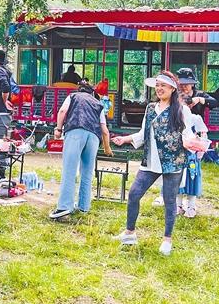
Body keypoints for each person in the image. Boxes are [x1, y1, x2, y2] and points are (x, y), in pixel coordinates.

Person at [111, 71, 196, 256]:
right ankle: (130, 233)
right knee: (134, 193)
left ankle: (167, 239)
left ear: (172, 89)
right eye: (157, 85)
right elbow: (143, 134)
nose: (159, 88)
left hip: (172, 161)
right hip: (151, 160)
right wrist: (125, 139)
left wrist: (192, 143)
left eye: (163, 85)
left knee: (170, 200)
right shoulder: (150, 108)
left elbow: (188, 134)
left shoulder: (181, 110)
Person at [49, 81, 113, 220]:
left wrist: (58, 129)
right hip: (94, 137)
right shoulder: (98, 103)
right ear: (92, 93)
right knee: (87, 173)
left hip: (75, 131)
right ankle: (83, 207)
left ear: (79, 90)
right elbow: (105, 130)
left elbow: (62, 111)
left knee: (69, 170)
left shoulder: (73, 96)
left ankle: (64, 207)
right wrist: (107, 148)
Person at [177, 95, 208, 218]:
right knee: (177, 178)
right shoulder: (175, 118)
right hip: (178, 154)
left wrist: (200, 151)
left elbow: (203, 134)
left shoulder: (195, 118)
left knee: (192, 178)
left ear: (190, 106)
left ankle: (191, 206)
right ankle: (178, 205)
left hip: (192, 154)